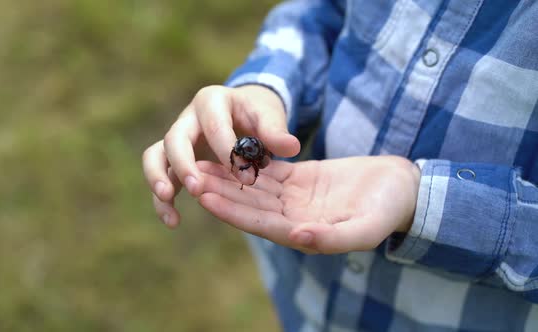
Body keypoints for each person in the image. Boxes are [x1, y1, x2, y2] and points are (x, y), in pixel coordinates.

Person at [143, 0, 538, 331]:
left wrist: (426, 202)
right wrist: (265, 89)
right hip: (306, 295)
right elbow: (323, 11)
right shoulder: (249, 152)